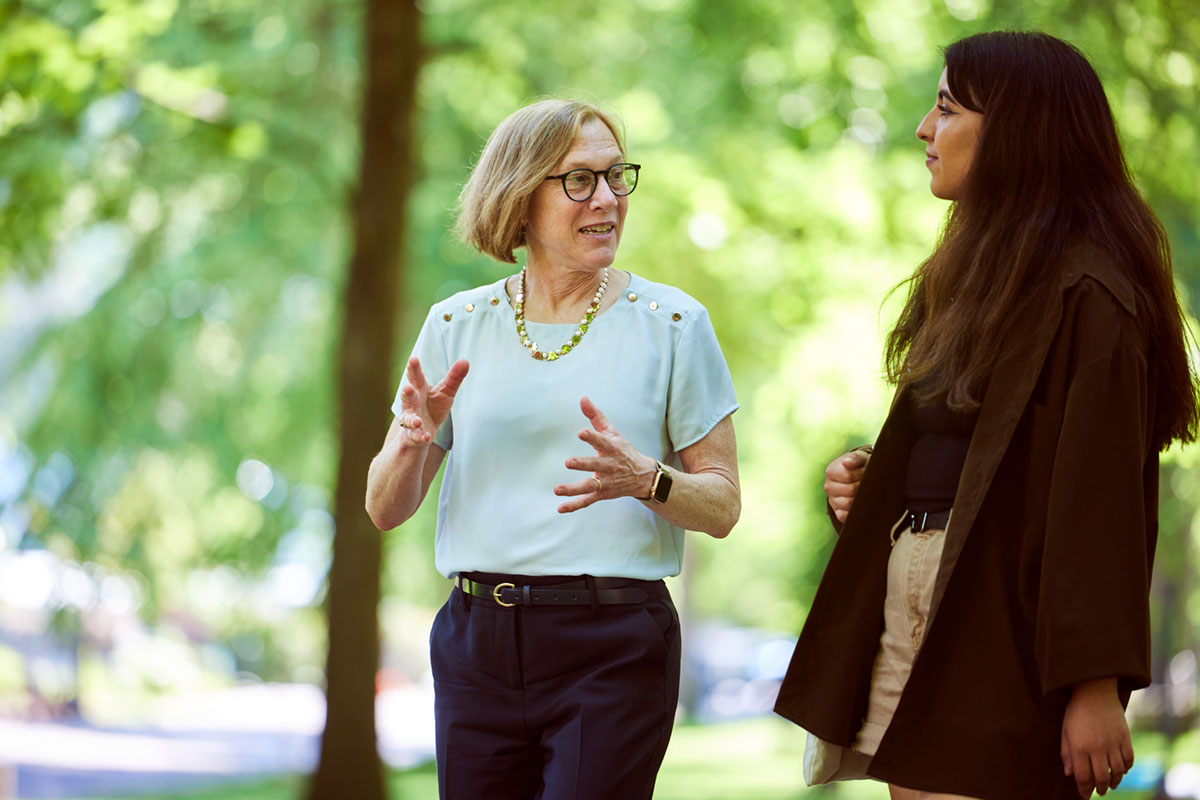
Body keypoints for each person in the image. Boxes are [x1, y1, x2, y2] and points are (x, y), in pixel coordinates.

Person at [773, 31, 1199, 800]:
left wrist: (1095, 684)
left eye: (945, 109)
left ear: (1017, 132)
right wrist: (879, 491)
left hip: (1001, 617)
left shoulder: (1092, 297)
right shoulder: (974, 275)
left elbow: (1098, 502)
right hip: (919, 584)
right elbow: (979, 457)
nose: (923, 130)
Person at [365, 98, 740, 799]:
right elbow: (385, 509)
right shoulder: (455, 325)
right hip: (476, 643)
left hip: (614, 645)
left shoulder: (675, 325)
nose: (607, 200)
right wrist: (412, 445)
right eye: (579, 181)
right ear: (520, 198)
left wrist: (648, 480)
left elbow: (721, 504)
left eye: (616, 177)